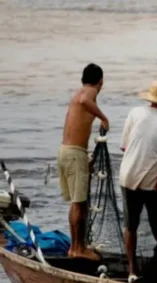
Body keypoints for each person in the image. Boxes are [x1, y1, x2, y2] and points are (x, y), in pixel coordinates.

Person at [119, 79, 157, 281]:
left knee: (130, 226)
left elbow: (125, 147)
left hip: (127, 175)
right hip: (152, 182)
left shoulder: (134, 113)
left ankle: (131, 270)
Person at [57, 63, 109, 260]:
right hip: (73, 154)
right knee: (80, 203)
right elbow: (85, 100)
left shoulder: (77, 93)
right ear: (100, 82)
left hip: (65, 151)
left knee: (76, 203)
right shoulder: (88, 93)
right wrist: (103, 118)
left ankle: (75, 247)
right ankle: (79, 249)